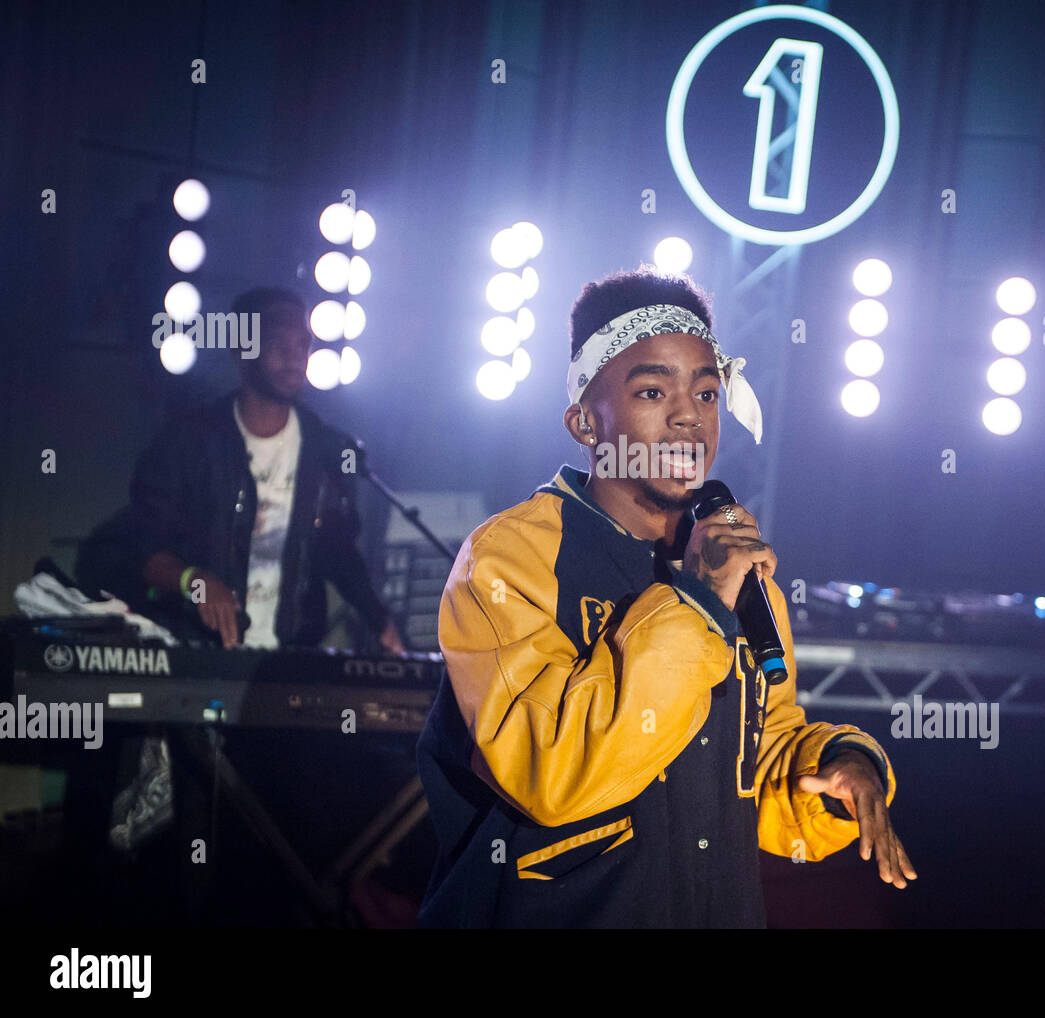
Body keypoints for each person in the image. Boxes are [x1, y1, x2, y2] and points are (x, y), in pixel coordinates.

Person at [416, 267, 915, 928]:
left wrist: (834, 768)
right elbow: (549, 772)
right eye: (653, 390)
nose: (689, 415)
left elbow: (758, 759)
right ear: (584, 423)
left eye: (708, 393)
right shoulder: (511, 556)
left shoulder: (735, 569)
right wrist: (699, 602)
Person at [126, 287, 402, 653]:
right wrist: (196, 582)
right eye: (278, 344)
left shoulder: (328, 448)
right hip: (200, 651)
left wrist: (379, 619)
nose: (294, 357)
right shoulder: (188, 442)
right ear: (242, 351)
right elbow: (142, 550)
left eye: (302, 345)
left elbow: (337, 550)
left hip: (290, 658)